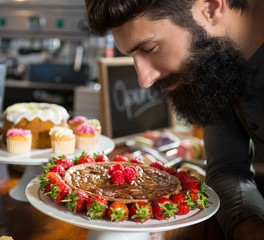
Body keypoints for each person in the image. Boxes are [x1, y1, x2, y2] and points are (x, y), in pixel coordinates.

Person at [84, 0, 264, 239]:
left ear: (210, 7)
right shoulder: (216, 62)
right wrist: (249, 226)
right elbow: (228, 169)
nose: (144, 80)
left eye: (149, 48)